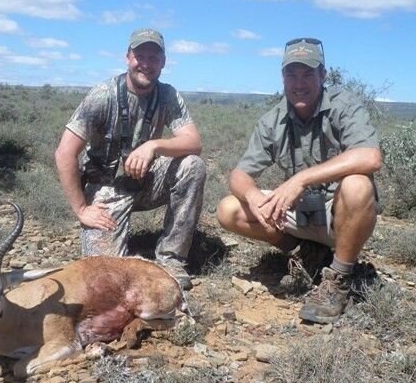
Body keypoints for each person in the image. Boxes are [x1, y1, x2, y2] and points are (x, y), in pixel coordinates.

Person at [217, 37, 381, 323]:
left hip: (337, 214)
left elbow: (370, 157)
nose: (299, 82)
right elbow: (239, 174)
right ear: (282, 78)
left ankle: (338, 279)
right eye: (291, 74)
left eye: (307, 74)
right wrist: (255, 197)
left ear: (323, 75)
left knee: (358, 185)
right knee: (229, 208)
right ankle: (306, 255)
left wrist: (301, 179)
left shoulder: (345, 105)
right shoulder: (273, 119)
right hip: (302, 213)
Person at [55, 28, 206, 290]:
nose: (146, 64)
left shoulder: (168, 95)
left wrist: (154, 145)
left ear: (163, 62)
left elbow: (194, 142)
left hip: (145, 178)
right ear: (128, 57)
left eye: (154, 58)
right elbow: (65, 153)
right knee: (105, 278)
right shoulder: (103, 95)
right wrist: (81, 209)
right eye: (140, 56)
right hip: (107, 187)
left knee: (193, 165)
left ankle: (171, 259)